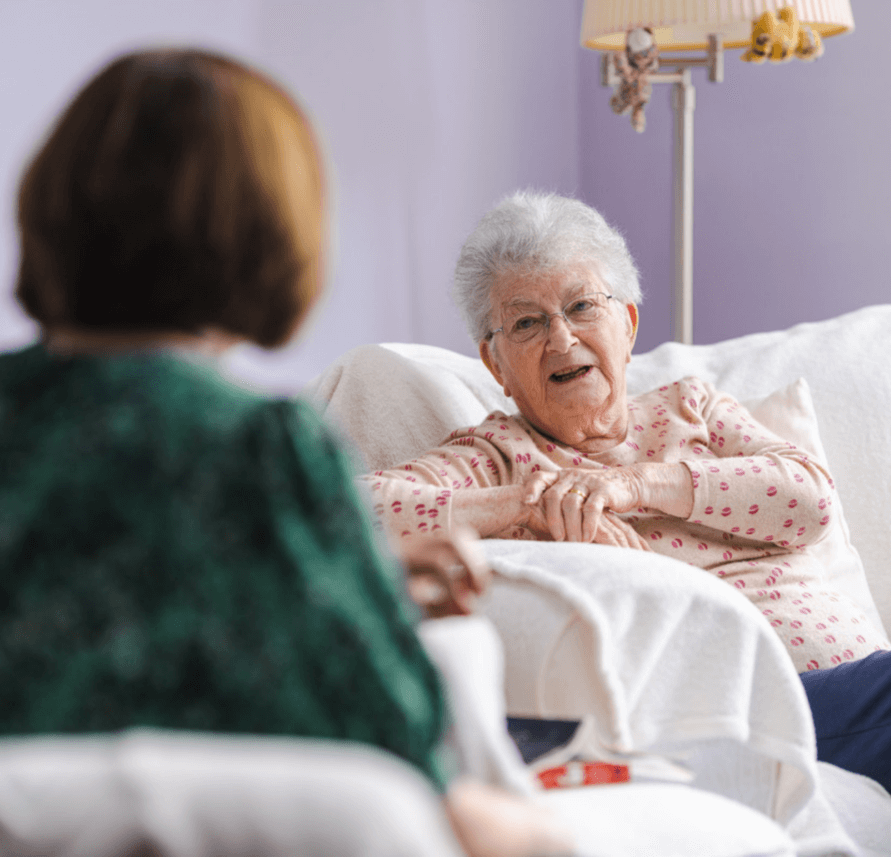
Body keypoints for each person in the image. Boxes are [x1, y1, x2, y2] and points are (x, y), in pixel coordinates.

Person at [0, 49, 571, 857]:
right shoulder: (262, 451)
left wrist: (340, 573)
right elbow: (386, 734)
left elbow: (87, 582)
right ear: (267, 229)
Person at [361, 190, 891, 856]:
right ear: (496, 364)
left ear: (628, 324)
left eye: (582, 306)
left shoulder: (691, 407)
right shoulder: (496, 457)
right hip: (745, 706)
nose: (562, 336)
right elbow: (360, 510)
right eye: (526, 323)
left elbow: (807, 497)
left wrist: (643, 484)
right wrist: (525, 499)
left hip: (874, 688)